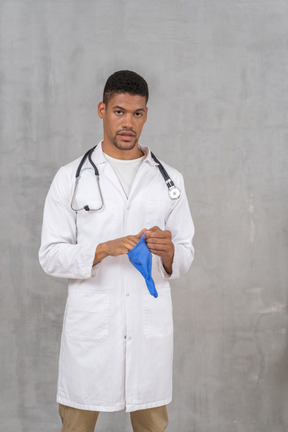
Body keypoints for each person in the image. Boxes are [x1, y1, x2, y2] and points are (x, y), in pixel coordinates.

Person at [39, 70, 195, 432]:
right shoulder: (70, 177)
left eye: (137, 113)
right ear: (102, 110)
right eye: (119, 111)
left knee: (153, 424)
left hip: (147, 330)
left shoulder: (169, 179)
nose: (128, 123)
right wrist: (101, 249)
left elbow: (185, 253)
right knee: (77, 424)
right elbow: (50, 255)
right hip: (92, 330)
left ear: (146, 115)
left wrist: (169, 252)